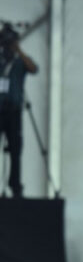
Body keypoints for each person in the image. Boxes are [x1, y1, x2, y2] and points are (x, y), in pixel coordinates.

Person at [0, 23, 39, 198]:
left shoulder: (19, 61)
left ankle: (15, 185)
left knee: (15, 149)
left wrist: (19, 50)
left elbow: (33, 68)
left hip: (14, 110)